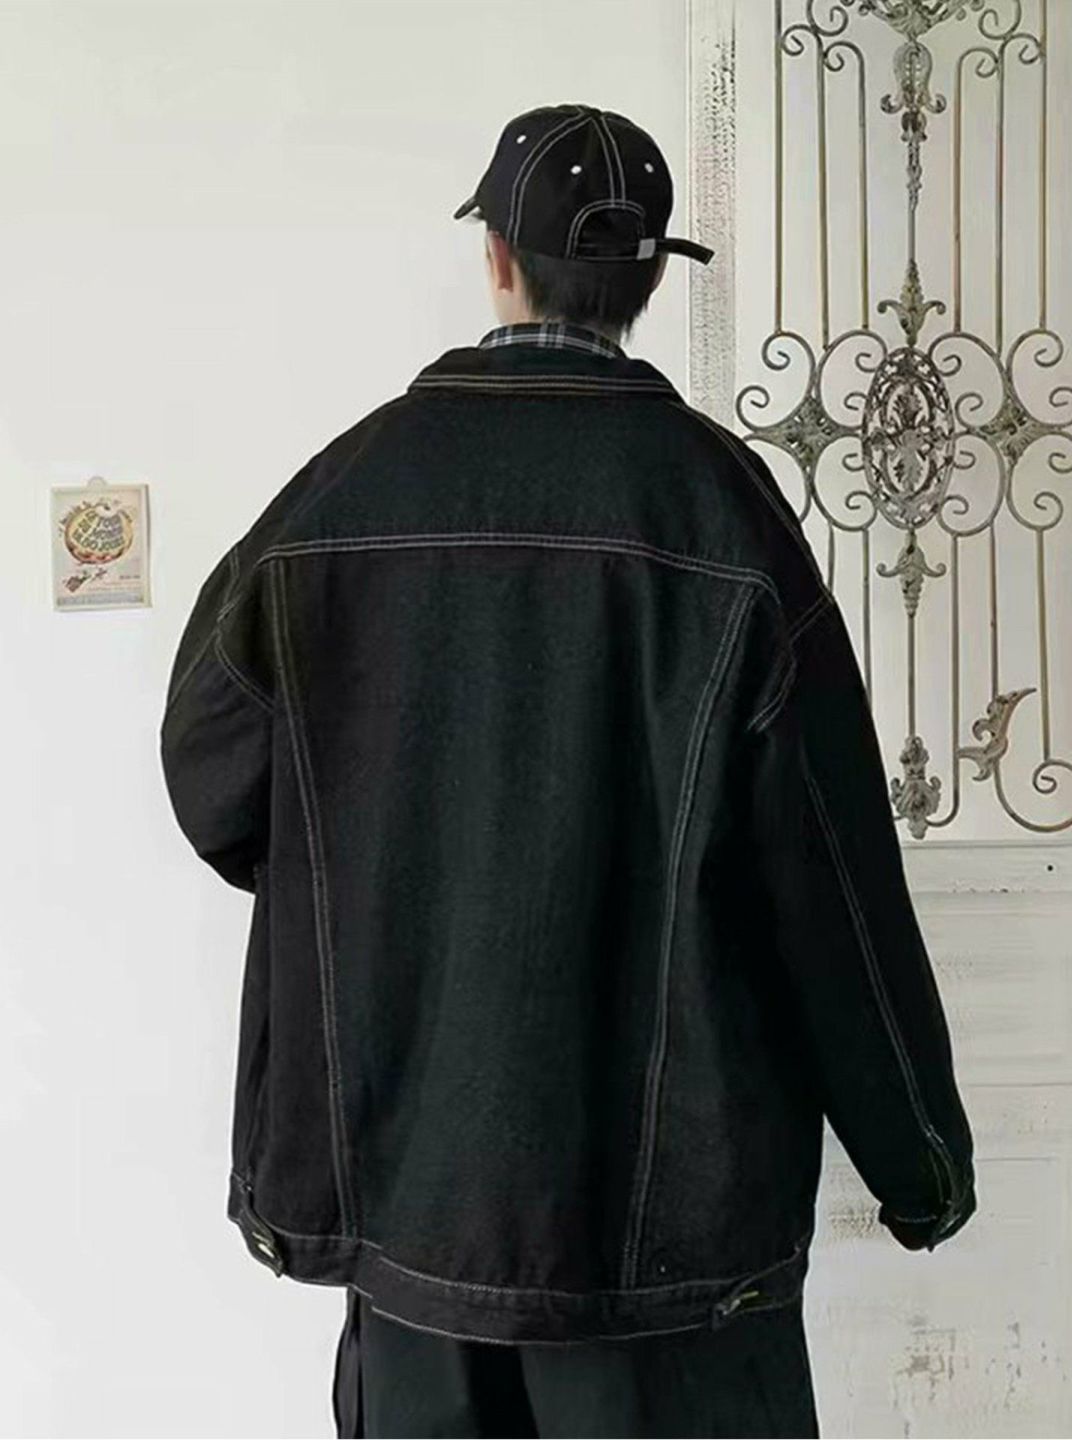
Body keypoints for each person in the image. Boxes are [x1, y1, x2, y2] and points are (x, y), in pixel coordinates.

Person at [159, 102, 976, 1439]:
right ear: (648, 284)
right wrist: (918, 1157)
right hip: (672, 1261)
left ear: (495, 257)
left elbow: (211, 779)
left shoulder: (337, 500)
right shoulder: (723, 514)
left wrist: (378, 851)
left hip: (411, 1224)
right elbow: (831, 879)